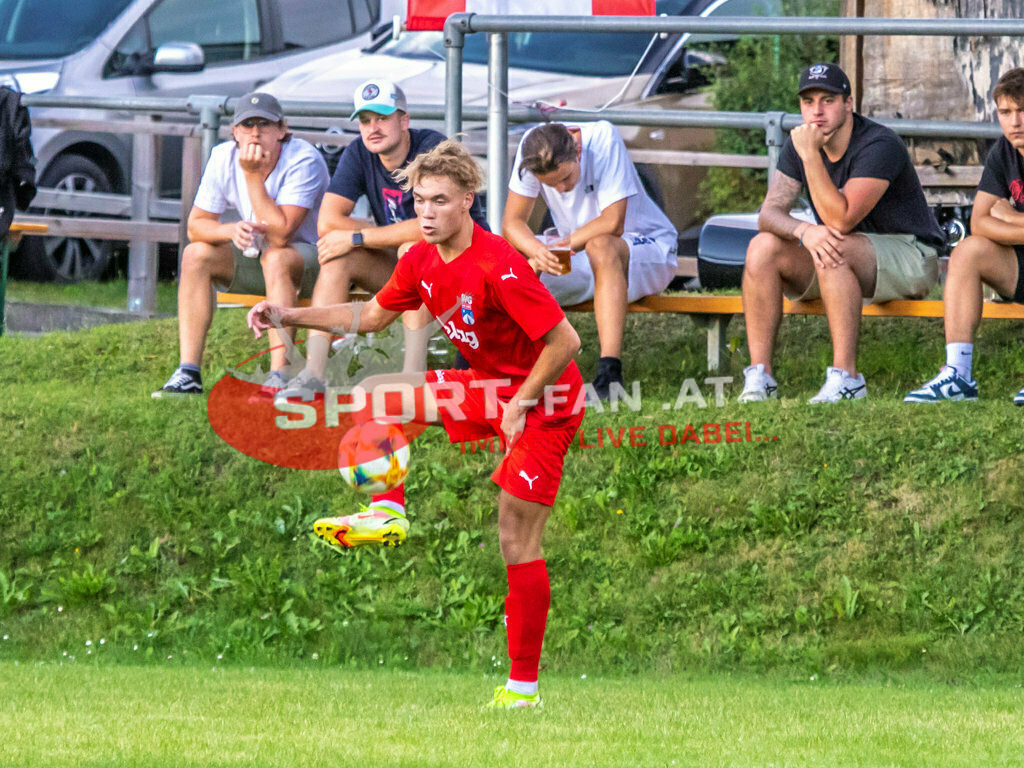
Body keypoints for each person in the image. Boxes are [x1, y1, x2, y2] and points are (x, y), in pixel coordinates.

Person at [247, 139, 583, 709]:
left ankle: (522, 690)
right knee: (379, 394)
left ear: (467, 203)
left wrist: (522, 402)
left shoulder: (499, 265)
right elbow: (372, 316)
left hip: (546, 401)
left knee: (515, 539)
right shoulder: (422, 259)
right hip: (485, 390)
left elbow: (566, 342)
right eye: (418, 201)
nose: (425, 214)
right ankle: (386, 510)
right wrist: (288, 312)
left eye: (438, 202)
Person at [738, 63, 944, 404]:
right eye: (808, 101)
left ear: (848, 104)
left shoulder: (879, 143)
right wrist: (804, 230)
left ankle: (847, 378)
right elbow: (769, 214)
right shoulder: (801, 143)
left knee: (834, 244)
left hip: (912, 256)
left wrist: (809, 156)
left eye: (828, 100)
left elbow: (842, 219)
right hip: (844, 257)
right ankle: (761, 376)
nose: (816, 111)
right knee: (763, 247)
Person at [277, 78, 487, 399]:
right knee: (338, 255)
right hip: (407, 263)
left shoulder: (433, 149)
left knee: (410, 249)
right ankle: (313, 376)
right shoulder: (360, 152)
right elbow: (328, 222)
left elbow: (433, 224)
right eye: (364, 120)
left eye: (382, 118)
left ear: (404, 121)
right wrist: (361, 240)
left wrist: (360, 236)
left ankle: (413, 375)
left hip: (464, 266)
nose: (372, 127)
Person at [152, 92, 329, 398]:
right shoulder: (222, 156)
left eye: (264, 124)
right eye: (247, 125)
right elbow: (195, 226)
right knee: (195, 255)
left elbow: (281, 235)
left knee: (277, 257)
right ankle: (188, 372)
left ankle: (279, 375)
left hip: (314, 264)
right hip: (260, 260)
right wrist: (231, 230)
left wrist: (251, 176)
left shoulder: (303, 159)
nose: (256, 133)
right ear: (234, 132)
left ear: (282, 129)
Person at [502, 120, 678, 399]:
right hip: (580, 254)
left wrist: (559, 245)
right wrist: (537, 252)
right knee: (510, 265)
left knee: (601, 245)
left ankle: (610, 375)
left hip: (648, 250)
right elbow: (512, 223)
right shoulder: (531, 146)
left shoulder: (604, 136)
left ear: (578, 150)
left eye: (566, 178)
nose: (560, 189)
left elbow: (613, 223)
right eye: (550, 185)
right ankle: (503, 371)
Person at [905, 68, 1024, 405]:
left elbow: (994, 217)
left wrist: (1011, 216)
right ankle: (958, 376)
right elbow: (981, 223)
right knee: (968, 251)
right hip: (1019, 262)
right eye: (1006, 112)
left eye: (1022, 110)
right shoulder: (1004, 152)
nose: (1015, 121)